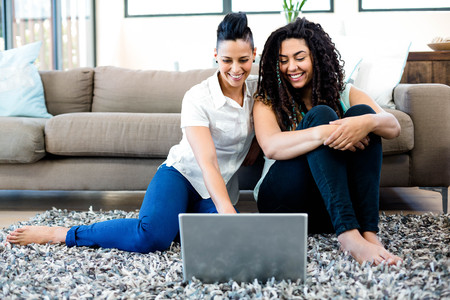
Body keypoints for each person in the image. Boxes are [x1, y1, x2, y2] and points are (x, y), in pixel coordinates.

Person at [6, 12, 259, 253]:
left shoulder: (258, 95)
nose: (235, 69)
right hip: (181, 176)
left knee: (219, 240)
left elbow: (271, 124)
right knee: (151, 237)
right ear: (215, 55)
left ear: (254, 55)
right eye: (227, 60)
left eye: (243, 60)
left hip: (215, 188)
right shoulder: (198, 97)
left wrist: (256, 146)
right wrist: (226, 209)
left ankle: (176, 222)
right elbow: (208, 163)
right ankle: (62, 233)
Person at [253, 17, 402, 266]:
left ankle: (368, 233)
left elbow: (393, 126)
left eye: (300, 58)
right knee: (322, 114)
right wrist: (325, 132)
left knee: (362, 113)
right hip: (283, 204)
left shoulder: (345, 92)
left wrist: (366, 123)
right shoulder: (268, 98)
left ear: (317, 57)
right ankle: (348, 236)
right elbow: (271, 145)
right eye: (283, 61)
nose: (291, 67)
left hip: (328, 207)